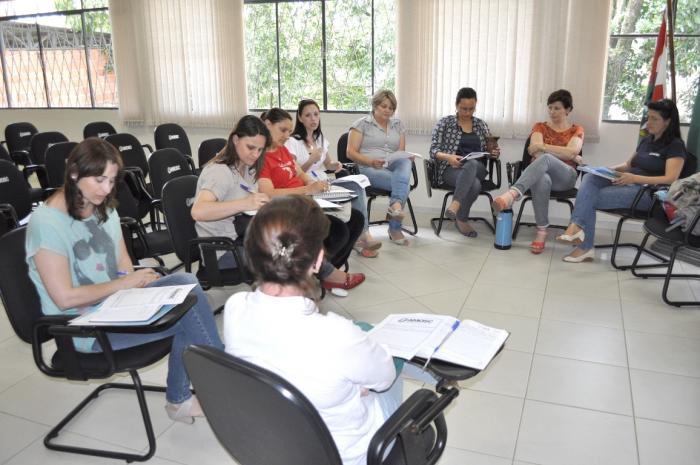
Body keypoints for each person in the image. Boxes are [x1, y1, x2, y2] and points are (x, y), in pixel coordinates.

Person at [223, 195, 434, 465]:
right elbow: (384, 379)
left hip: (275, 443)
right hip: (348, 454)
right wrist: (356, 386)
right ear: (318, 261)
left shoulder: (235, 307)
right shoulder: (336, 335)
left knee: (360, 340)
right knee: (390, 369)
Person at [25, 138, 224, 424]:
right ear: (74, 174)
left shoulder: (104, 208)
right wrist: (124, 284)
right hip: (83, 328)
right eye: (99, 180)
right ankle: (214, 389)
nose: (107, 189)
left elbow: (123, 268)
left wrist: (137, 282)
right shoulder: (47, 224)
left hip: (117, 307)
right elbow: (64, 298)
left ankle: (208, 389)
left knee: (186, 283)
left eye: (112, 180)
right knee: (189, 316)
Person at [557, 98, 687, 262]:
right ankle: (577, 231)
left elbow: (670, 179)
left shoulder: (676, 145)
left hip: (648, 193)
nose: (648, 122)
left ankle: (582, 241)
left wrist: (634, 178)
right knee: (590, 177)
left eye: (655, 119)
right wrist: (606, 170)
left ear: (668, 122)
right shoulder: (646, 140)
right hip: (629, 182)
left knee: (590, 197)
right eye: (648, 117)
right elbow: (628, 165)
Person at [258, 108, 365, 292]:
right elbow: (268, 193)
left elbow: (300, 173)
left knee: (357, 219)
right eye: (282, 130)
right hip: (288, 207)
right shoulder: (261, 157)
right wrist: (307, 189)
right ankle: (322, 274)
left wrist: (313, 184)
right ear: (267, 125)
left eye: (289, 131)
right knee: (338, 230)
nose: (287, 135)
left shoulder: (282, 150)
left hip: (306, 200)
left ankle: (323, 273)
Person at [286, 98, 382, 258]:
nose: (313, 119)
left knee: (357, 186)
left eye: (316, 114)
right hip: (309, 186)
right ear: (300, 118)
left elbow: (328, 164)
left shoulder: (320, 139)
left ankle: (363, 234)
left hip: (325, 181)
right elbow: (293, 174)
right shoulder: (292, 141)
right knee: (344, 198)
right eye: (308, 115)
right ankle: (361, 239)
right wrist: (311, 159)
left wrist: (334, 165)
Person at [492, 89, 584, 254]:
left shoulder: (576, 130)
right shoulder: (540, 126)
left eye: (557, 108)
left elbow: (569, 151)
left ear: (568, 109)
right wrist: (567, 154)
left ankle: (512, 194)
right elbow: (535, 153)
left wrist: (544, 147)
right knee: (542, 178)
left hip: (565, 177)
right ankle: (542, 231)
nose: (552, 112)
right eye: (550, 107)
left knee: (546, 158)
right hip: (542, 174)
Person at [191, 115, 271, 269]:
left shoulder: (248, 169)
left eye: (260, 149)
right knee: (284, 256)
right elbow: (198, 211)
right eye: (251, 147)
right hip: (222, 251)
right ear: (235, 140)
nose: (256, 154)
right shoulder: (219, 172)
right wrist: (245, 203)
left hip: (242, 240)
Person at [429, 87, 501, 237]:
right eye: (464, 109)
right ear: (456, 105)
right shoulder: (445, 123)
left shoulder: (481, 125)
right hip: (451, 169)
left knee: (472, 163)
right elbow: (434, 150)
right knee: (474, 184)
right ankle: (461, 219)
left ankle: (455, 204)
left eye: (471, 109)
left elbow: (489, 150)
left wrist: (494, 153)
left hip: (478, 168)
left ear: (475, 106)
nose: (468, 113)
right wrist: (449, 157)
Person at [347, 89, 413, 246]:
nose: (387, 110)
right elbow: (350, 152)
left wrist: (405, 156)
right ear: (375, 105)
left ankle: (395, 206)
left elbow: (400, 151)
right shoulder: (361, 124)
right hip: (368, 168)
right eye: (384, 106)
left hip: (391, 165)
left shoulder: (398, 125)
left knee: (405, 161)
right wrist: (370, 161)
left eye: (391, 108)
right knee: (404, 186)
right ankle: (395, 227)